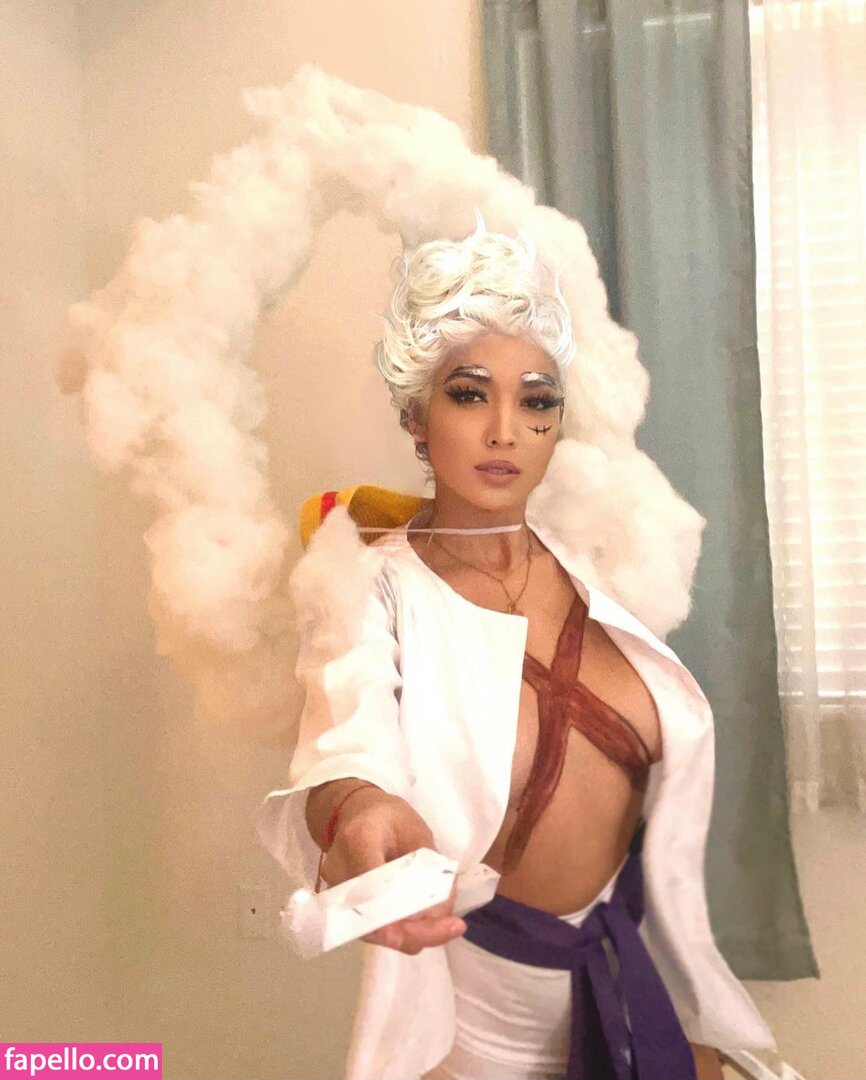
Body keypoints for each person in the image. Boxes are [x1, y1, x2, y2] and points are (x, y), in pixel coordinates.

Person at [253, 222, 778, 1080]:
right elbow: (346, 741)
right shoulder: (369, 587)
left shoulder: (600, 564)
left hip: (642, 992)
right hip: (476, 1040)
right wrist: (356, 809)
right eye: (469, 395)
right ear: (416, 415)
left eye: (536, 402)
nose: (505, 429)